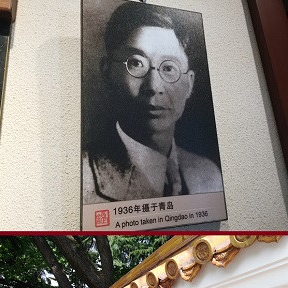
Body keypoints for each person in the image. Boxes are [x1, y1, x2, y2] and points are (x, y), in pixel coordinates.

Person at [83, 2, 223, 203]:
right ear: (107, 71)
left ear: (190, 83)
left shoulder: (208, 175)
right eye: (136, 63)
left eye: (169, 68)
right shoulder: (85, 176)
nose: (154, 86)